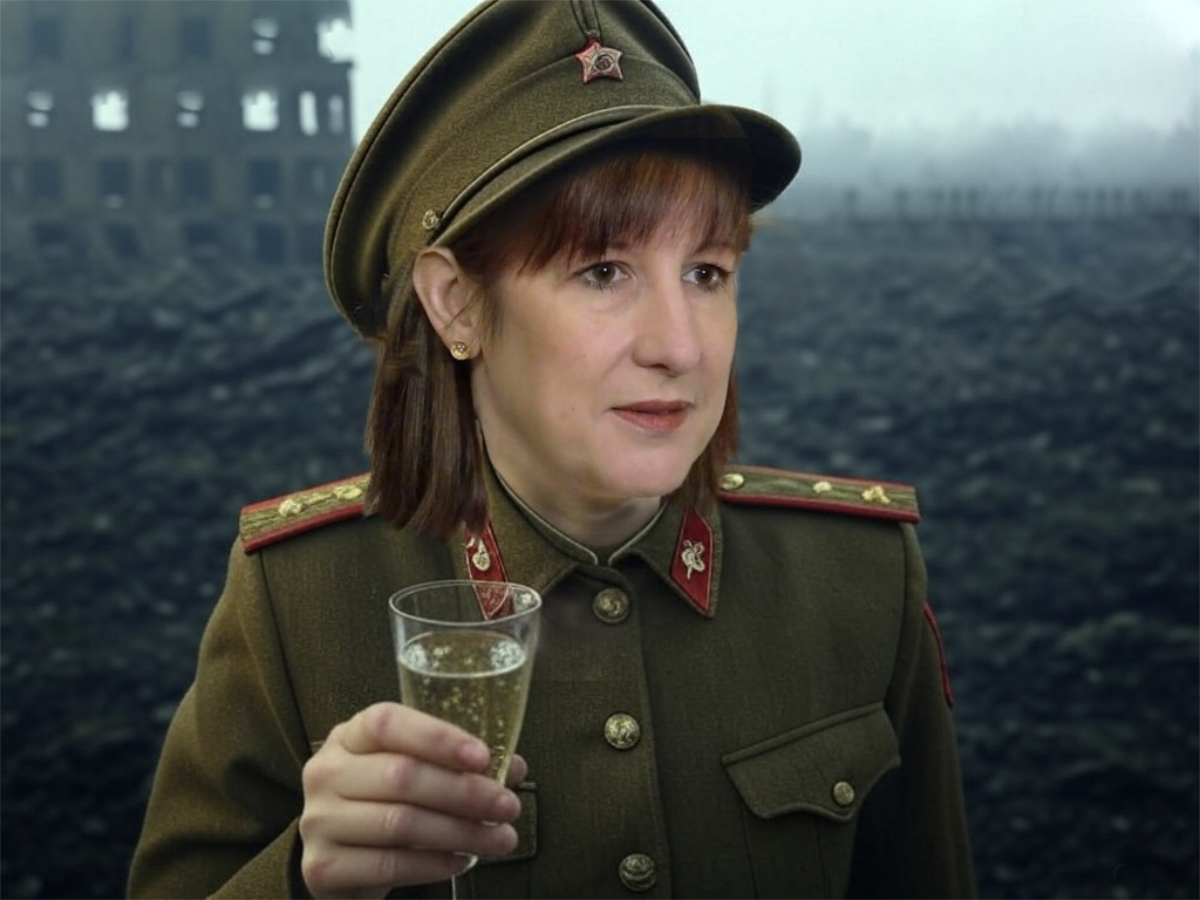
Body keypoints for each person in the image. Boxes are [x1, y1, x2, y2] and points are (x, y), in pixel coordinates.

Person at [128, 1, 975, 897]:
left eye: (707, 273)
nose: (679, 347)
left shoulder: (858, 579)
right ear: (456, 304)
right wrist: (306, 881)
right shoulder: (300, 600)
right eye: (603, 271)